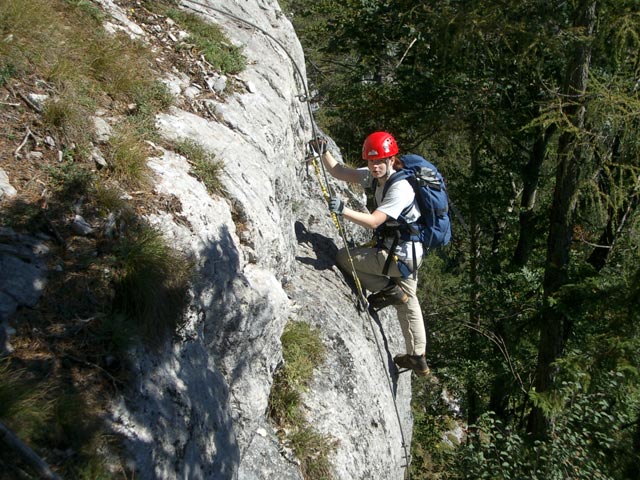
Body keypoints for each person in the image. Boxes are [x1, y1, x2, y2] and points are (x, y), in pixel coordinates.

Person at [311, 131, 429, 377]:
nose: (374, 166)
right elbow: (341, 172)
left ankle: (387, 289)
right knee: (409, 300)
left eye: (379, 161)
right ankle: (417, 356)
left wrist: (343, 211)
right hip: (409, 253)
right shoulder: (376, 177)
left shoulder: (401, 188)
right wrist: (324, 153)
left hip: (399, 256)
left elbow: (375, 221)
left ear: (391, 159)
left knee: (344, 258)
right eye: (371, 161)